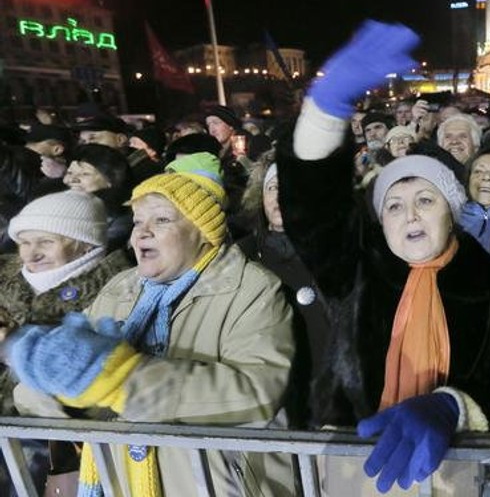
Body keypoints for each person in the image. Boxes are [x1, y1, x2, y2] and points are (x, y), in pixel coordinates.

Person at [280, 20, 490, 493]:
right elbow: (312, 208)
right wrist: (324, 108)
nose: (409, 214)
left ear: (451, 214)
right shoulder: (356, 268)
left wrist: (454, 407)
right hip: (357, 468)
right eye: (394, 205)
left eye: (425, 200)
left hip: (457, 474)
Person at [3, 164, 296, 496]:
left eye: (161, 220)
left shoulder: (251, 287)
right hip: (121, 483)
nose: (142, 232)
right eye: (138, 221)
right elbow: (40, 394)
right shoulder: (120, 289)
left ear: (203, 232)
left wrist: (121, 380)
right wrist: (53, 378)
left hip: (212, 484)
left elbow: (257, 391)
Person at [0, 190, 130, 414]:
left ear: (86, 244)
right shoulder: (5, 277)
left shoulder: (121, 290)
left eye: (46, 242)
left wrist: (15, 348)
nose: (31, 255)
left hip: (55, 428)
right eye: (24, 242)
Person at [236, 155, 329, 428]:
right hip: (276, 406)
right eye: (273, 187)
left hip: (332, 401)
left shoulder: (339, 250)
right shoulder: (242, 256)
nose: (281, 195)